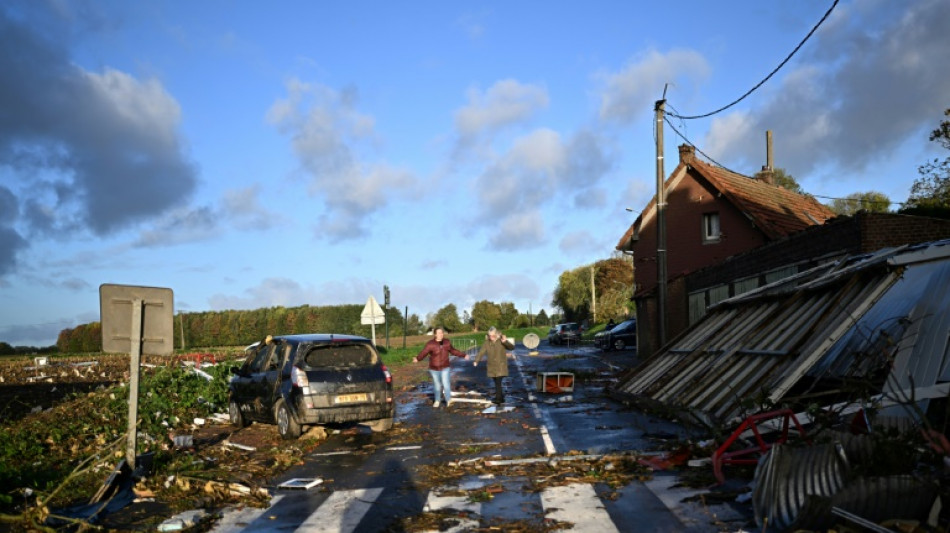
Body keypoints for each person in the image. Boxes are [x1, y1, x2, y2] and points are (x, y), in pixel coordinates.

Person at [414, 327, 468, 407]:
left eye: (442, 333)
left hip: (445, 367)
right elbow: (424, 352)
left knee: (446, 384)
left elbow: (453, 351)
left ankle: (448, 400)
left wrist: (463, 355)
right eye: (439, 333)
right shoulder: (430, 344)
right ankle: (437, 400)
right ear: (435, 334)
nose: (441, 334)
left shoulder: (447, 342)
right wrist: (418, 358)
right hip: (434, 368)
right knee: (437, 385)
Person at [473, 326, 516, 404]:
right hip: (492, 366)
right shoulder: (486, 343)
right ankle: (501, 398)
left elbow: (512, 347)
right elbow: (481, 352)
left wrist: (505, 341)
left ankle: (498, 399)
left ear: (496, 334)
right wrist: (476, 360)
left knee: (498, 382)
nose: (491, 337)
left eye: (492, 335)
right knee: (496, 382)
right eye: (489, 335)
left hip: (501, 366)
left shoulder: (501, 341)